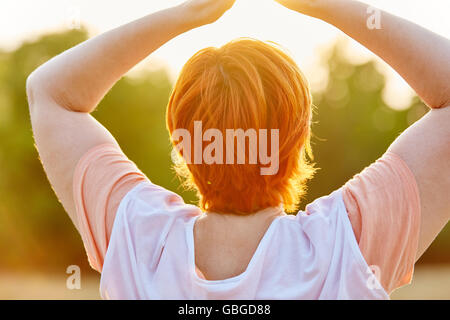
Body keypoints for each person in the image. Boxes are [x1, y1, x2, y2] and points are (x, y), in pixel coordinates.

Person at [26, 0, 449, 299]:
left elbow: (49, 92)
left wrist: (184, 14)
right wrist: (326, 5)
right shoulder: (348, 244)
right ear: (299, 138)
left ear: (182, 142)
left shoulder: (137, 238)